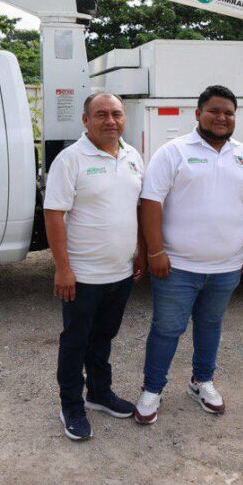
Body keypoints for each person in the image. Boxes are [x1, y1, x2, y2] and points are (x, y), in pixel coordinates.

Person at [133, 85, 243, 425]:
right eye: (214, 111)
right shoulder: (173, 152)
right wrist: (155, 251)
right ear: (198, 114)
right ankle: (152, 388)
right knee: (167, 329)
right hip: (177, 266)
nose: (222, 118)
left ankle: (201, 381)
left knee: (210, 325)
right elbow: (150, 202)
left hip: (226, 267)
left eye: (229, 113)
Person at [43, 93, 145, 441]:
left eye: (116, 114)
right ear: (85, 120)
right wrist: (62, 268)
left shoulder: (133, 157)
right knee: (76, 342)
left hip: (121, 273)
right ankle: (71, 405)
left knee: (103, 337)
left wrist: (140, 252)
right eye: (101, 114)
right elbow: (53, 214)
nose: (110, 121)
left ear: (124, 118)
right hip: (83, 276)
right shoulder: (70, 159)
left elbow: (136, 208)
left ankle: (99, 393)